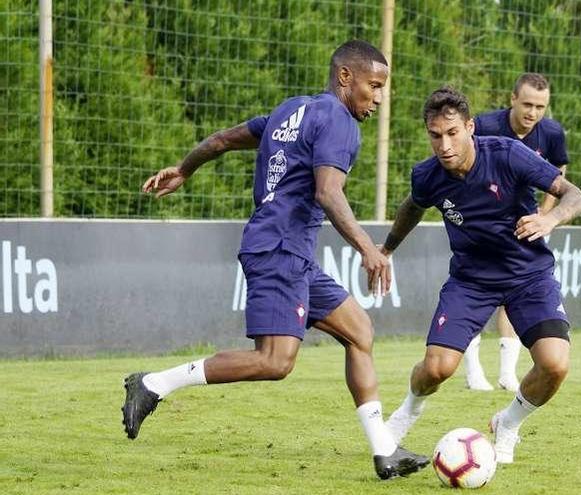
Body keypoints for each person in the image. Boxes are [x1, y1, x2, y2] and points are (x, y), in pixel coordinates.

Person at [121, 40, 429, 479]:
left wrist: (185, 169)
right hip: (279, 249)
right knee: (275, 361)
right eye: (373, 86)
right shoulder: (341, 122)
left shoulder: (291, 111)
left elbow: (224, 140)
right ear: (346, 77)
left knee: (359, 331)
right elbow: (327, 192)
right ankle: (153, 384)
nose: (379, 98)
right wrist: (367, 248)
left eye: (383, 89)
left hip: (290, 251)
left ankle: (385, 451)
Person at [382, 87, 581, 464]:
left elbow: (575, 195)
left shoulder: (508, 155)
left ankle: (508, 423)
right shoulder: (427, 176)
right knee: (437, 369)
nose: (444, 145)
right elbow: (413, 207)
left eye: (453, 133)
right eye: (435, 135)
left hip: (528, 276)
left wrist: (550, 217)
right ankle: (407, 411)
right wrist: (387, 249)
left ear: (470, 127)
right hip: (471, 280)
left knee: (555, 364)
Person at [463, 72, 570, 392]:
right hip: (481, 224)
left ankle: (507, 373)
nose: (533, 113)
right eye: (527, 104)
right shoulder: (485, 126)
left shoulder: (551, 133)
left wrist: (547, 212)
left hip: (523, 225)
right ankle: (473, 371)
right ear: (512, 99)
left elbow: (559, 171)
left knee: (515, 292)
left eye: (540, 107)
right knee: (475, 293)